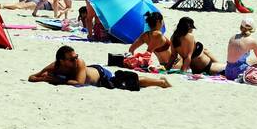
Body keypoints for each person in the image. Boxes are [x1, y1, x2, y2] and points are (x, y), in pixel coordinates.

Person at [29, 46, 170, 89]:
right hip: (94, 75)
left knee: (132, 81)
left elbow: (79, 83)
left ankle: (160, 82)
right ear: (62, 61)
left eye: (76, 56)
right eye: (72, 59)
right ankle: (160, 81)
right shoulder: (55, 66)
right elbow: (32, 77)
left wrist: (55, 80)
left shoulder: (80, 63)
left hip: (103, 76)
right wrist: (42, 79)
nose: (76, 59)